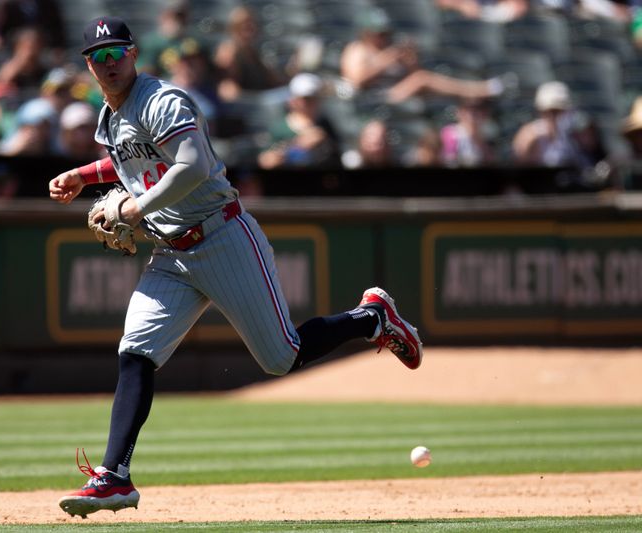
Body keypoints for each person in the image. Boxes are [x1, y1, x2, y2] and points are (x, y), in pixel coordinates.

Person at [48, 16, 423, 519]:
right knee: (135, 352)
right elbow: (129, 159)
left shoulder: (163, 101)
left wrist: (136, 209)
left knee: (282, 357)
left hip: (222, 236)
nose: (108, 64)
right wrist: (83, 174)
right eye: (98, 57)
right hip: (172, 253)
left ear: (134, 54)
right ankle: (114, 477)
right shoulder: (112, 117)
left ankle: (372, 317)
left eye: (116, 53)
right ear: (88, 66)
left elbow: (193, 165)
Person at [340, 9, 510, 104]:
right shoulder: (357, 49)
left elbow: (413, 73)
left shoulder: (390, 48)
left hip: (397, 95)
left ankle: (477, 95)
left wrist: (409, 60)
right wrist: (387, 59)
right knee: (423, 79)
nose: (384, 37)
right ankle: (482, 90)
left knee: (429, 87)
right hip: (371, 98)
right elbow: (356, 80)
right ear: (367, 33)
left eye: (386, 33)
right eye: (379, 34)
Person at [257, 72, 340, 169]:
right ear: (292, 101)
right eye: (306, 99)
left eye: (315, 98)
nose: (312, 104)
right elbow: (266, 161)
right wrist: (297, 146)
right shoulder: (279, 129)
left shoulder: (326, 125)